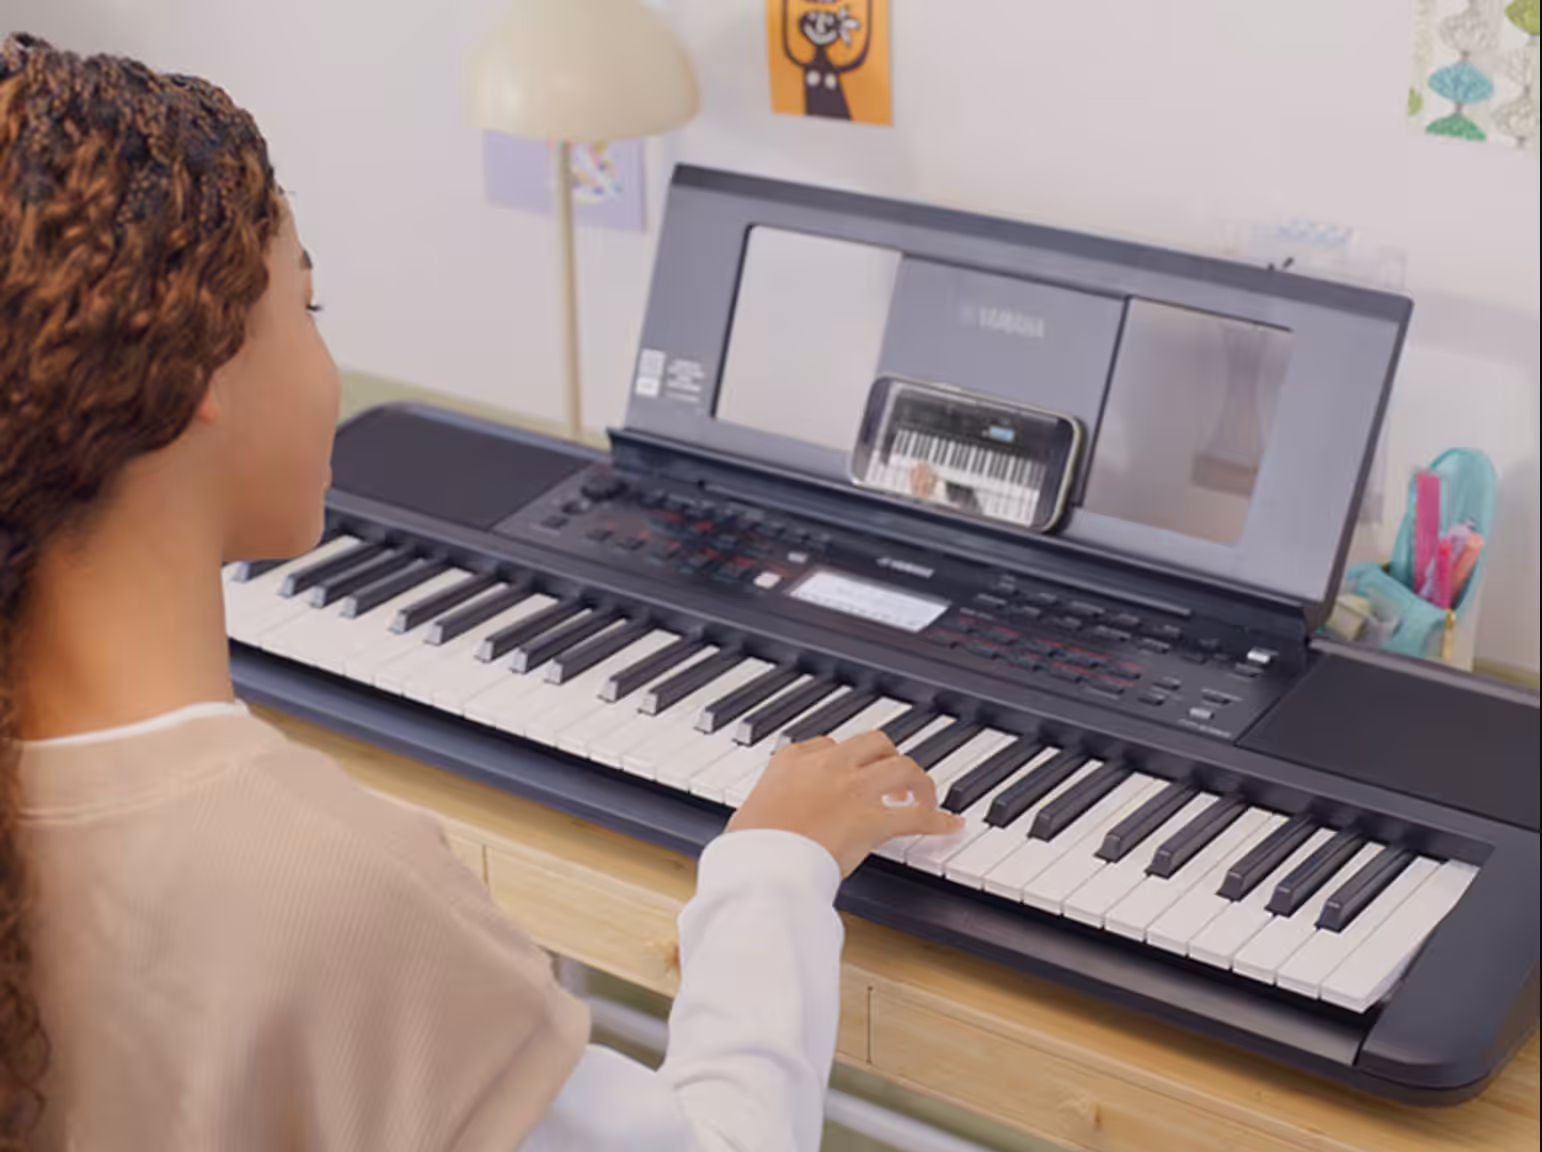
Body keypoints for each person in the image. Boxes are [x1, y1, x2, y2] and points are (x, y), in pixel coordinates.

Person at [0, 35, 962, 1152]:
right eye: (305, 311)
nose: (323, 359)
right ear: (201, 371)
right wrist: (774, 866)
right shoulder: (328, 891)